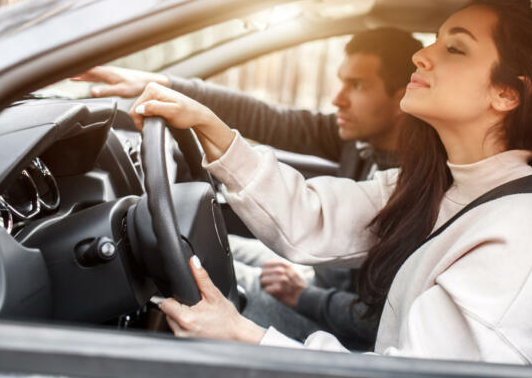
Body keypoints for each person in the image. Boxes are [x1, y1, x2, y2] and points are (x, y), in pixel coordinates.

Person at [129, 0, 532, 366]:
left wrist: (242, 335)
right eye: (435, 39)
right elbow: (310, 218)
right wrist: (210, 127)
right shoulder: (440, 186)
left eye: (454, 47)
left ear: (507, 93)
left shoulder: (518, 230)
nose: (421, 55)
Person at [73, 28, 424, 350]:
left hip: (336, 327)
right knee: (210, 245)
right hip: (317, 278)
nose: (337, 99)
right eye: (341, 82)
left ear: (401, 98)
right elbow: (267, 118)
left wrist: (302, 296)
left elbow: (374, 323)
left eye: (358, 85)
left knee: (186, 275)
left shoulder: (418, 186)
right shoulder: (361, 141)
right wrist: (164, 85)